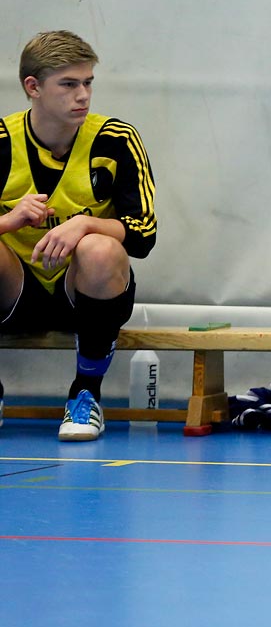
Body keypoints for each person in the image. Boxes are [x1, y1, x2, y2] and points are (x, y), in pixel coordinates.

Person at [0, 31, 157, 440]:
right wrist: (9, 222)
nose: (83, 95)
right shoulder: (1, 142)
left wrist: (86, 223)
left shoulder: (116, 140)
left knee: (101, 248)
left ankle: (86, 396)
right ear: (32, 87)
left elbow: (143, 235)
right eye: (68, 85)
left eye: (87, 83)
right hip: (14, 290)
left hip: (82, 292)